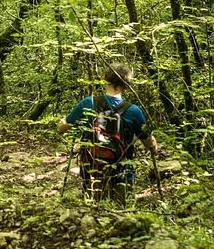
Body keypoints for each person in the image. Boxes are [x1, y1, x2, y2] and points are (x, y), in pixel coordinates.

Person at [57, 64, 159, 204]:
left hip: (92, 171)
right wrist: (154, 147)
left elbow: (62, 128)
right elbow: (149, 143)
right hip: (122, 172)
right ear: (127, 85)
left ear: (105, 80)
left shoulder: (88, 102)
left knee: (93, 210)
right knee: (120, 213)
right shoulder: (134, 111)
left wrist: (62, 121)